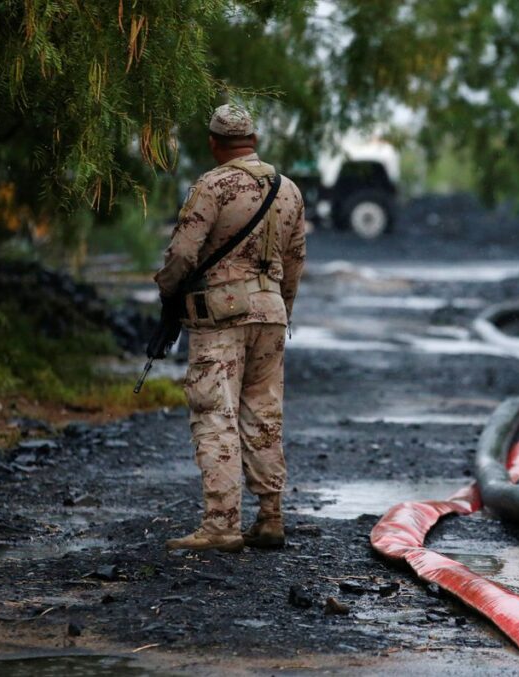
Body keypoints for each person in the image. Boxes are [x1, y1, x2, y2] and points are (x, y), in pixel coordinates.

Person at [154, 103, 306, 553]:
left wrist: (167, 292)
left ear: (214, 143)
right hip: (272, 313)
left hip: (219, 317)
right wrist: (283, 307)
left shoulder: (211, 185)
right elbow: (295, 261)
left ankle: (221, 525)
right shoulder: (289, 191)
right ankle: (270, 517)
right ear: (254, 140)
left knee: (214, 412)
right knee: (264, 413)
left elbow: (183, 254)